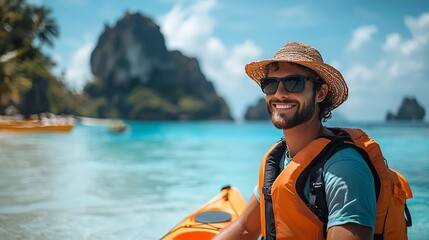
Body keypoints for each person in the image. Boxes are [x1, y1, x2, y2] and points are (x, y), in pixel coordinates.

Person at [214, 41, 376, 240]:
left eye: (294, 82)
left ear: (320, 93)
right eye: (271, 84)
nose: (280, 93)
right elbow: (245, 229)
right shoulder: (277, 162)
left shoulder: (344, 169)